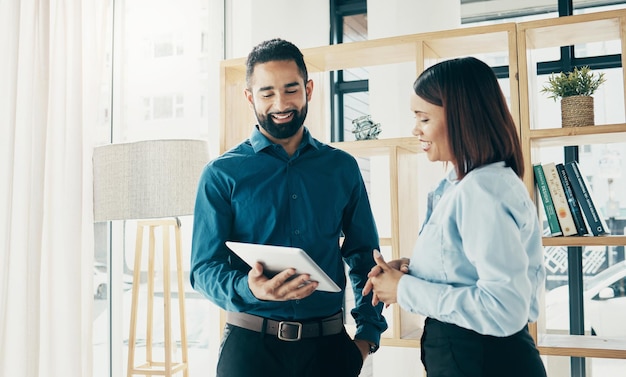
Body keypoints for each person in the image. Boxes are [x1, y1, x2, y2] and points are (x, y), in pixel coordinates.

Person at [190, 38, 387, 377]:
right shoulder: (221, 173)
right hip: (250, 352)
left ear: (308, 88)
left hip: (329, 351)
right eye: (267, 93)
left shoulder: (341, 167)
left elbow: (365, 256)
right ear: (250, 97)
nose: (280, 103)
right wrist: (249, 287)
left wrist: (367, 336)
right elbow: (204, 269)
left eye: (291, 89)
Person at [363, 57, 547, 377]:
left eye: (423, 118)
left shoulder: (481, 191)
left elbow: (504, 308)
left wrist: (404, 289)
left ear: (462, 118)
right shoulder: (461, 186)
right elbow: (464, 269)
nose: (415, 129)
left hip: (486, 361)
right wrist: (412, 271)